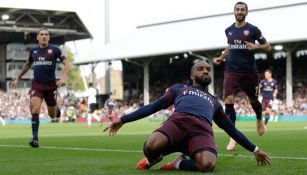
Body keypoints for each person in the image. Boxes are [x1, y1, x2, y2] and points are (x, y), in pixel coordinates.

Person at [104, 60, 270, 172]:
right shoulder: (179, 89)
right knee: (151, 146)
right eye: (200, 69)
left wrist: (255, 150)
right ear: (192, 76)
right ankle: (154, 158)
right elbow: (154, 106)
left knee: (207, 165)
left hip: (201, 131)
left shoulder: (215, 102)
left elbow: (231, 129)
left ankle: (179, 163)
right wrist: (123, 120)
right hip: (178, 123)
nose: (205, 71)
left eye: (208, 69)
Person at [213, 1, 271, 151]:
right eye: (237, 9)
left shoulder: (253, 30)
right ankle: (233, 136)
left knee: (253, 101)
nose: (239, 11)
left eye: (242, 10)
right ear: (234, 11)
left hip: (249, 72)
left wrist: (257, 46)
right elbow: (230, 47)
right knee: (228, 100)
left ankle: (259, 119)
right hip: (231, 71)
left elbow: (268, 46)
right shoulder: (228, 30)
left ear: (246, 12)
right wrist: (222, 57)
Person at [10, 28, 69, 148]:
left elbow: (66, 63)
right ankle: (35, 139)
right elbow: (27, 64)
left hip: (51, 86)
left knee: (52, 115)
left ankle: (56, 109)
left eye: (46, 34)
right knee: (35, 109)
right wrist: (17, 78)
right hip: (37, 85)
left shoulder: (55, 50)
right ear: (37, 37)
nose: (44, 36)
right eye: (41, 34)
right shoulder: (34, 51)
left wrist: (63, 78)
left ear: (49, 37)